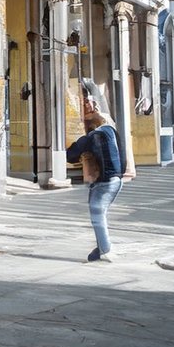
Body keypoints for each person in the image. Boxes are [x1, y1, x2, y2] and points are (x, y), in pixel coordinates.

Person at [68, 79, 126, 262]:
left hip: (105, 182)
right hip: (116, 180)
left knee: (97, 215)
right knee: (99, 214)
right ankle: (100, 247)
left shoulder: (95, 136)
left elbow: (71, 154)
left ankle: (105, 250)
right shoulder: (110, 130)